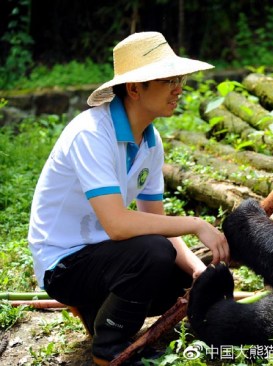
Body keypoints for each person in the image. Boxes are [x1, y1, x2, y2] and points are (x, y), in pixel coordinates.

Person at [27, 31, 230, 365]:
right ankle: (109, 350)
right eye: (168, 80)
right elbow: (119, 225)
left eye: (178, 79)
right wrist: (196, 223)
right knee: (153, 252)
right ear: (135, 88)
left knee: (177, 271)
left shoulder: (150, 141)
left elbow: (158, 222)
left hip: (106, 256)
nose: (178, 88)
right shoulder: (91, 134)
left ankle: (98, 313)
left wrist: (197, 270)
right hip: (63, 264)